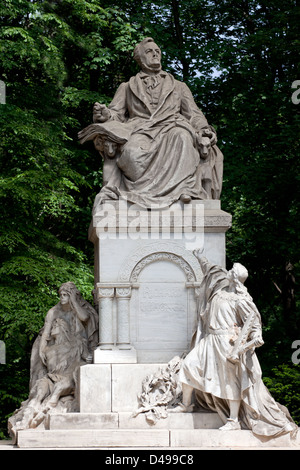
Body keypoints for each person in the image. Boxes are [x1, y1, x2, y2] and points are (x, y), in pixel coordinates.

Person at [78, 38, 223, 211]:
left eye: (158, 51)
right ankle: (137, 197)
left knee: (182, 138)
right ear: (140, 58)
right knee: (131, 153)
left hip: (172, 126)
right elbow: (115, 114)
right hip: (140, 130)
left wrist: (204, 130)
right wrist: (106, 115)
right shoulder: (126, 87)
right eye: (149, 51)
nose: (155, 54)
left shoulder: (179, 86)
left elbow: (194, 114)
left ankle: (185, 190)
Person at [173, 252, 297, 439]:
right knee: (188, 366)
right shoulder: (220, 288)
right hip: (209, 340)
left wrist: (247, 344)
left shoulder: (241, 299)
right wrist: (200, 257)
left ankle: (233, 421)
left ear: (236, 277)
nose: (228, 270)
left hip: (227, 343)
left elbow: (255, 326)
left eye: (232, 270)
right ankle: (186, 404)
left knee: (230, 382)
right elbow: (213, 271)